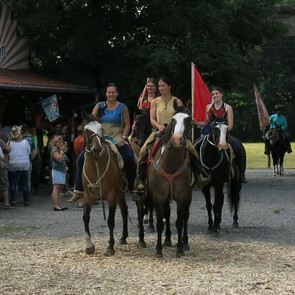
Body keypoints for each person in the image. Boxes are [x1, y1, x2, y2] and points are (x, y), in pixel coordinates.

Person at [136, 76, 208, 192]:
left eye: (163, 85)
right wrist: (159, 126)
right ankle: (140, 178)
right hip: (159, 130)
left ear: (169, 86)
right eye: (159, 86)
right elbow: (152, 119)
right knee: (143, 150)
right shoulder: (155, 102)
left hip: (175, 131)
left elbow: (183, 116)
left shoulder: (177, 101)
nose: (161, 88)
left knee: (192, 150)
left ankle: (199, 175)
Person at [194, 86, 247, 183]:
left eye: (217, 93)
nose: (215, 96)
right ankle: (195, 174)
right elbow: (206, 123)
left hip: (224, 134)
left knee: (239, 147)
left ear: (221, 94)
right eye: (213, 94)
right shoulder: (208, 107)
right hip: (211, 135)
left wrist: (222, 129)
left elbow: (230, 126)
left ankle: (241, 174)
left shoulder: (228, 107)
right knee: (194, 146)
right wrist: (196, 122)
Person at [92, 83, 136, 192]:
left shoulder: (122, 107)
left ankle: (132, 185)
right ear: (106, 94)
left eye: (113, 92)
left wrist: (123, 138)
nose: (111, 94)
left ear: (117, 94)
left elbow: (127, 124)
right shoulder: (99, 106)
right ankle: (79, 189)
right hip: (101, 137)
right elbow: (92, 121)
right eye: (109, 92)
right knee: (81, 158)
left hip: (117, 138)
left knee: (129, 158)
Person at [7, 125, 31, 207]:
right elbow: (28, 152)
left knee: (13, 183)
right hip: (24, 164)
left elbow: (8, 152)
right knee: (25, 183)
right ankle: (26, 200)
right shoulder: (25, 142)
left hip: (12, 164)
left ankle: (13, 200)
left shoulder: (9, 142)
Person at [51, 135, 68, 211]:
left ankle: (60, 204)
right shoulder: (54, 151)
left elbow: (64, 158)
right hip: (57, 171)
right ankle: (56, 205)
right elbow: (59, 159)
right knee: (56, 187)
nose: (60, 143)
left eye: (61, 141)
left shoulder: (60, 150)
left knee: (60, 188)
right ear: (55, 143)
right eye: (58, 142)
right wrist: (61, 151)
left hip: (62, 170)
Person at [0, 126, 14, 210]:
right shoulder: (0, 141)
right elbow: (8, 149)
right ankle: (6, 203)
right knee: (4, 184)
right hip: (1, 165)